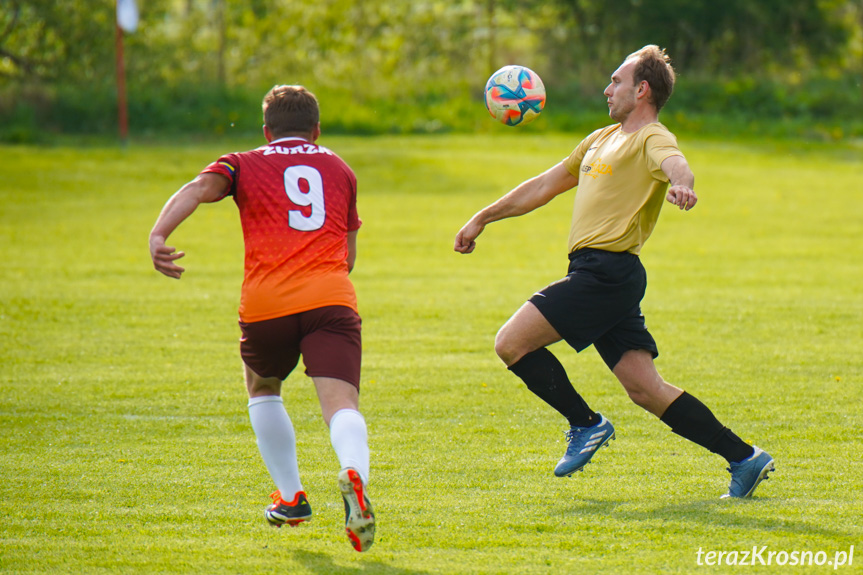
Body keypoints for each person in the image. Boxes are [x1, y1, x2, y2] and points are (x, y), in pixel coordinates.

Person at [454, 46, 774, 498]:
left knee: (511, 343)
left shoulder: (651, 138)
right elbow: (544, 186)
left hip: (607, 274)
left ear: (642, 90)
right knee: (646, 390)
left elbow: (675, 162)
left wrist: (682, 183)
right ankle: (745, 458)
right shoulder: (600, 139)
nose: (608, 89)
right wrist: (482, 217)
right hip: (601, 274)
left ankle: (586, 424)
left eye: (616, 82)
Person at [149, 85, 375, 551]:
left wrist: (159, 233)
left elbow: (197, 189)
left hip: (265, 303)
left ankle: (291, 498)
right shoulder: (340, 168)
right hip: (330, 298)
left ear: (266, 130)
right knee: (341, 405)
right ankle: (354, 473)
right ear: (317, 129)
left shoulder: (240, 161)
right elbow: (348, 255)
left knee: (263, 388)